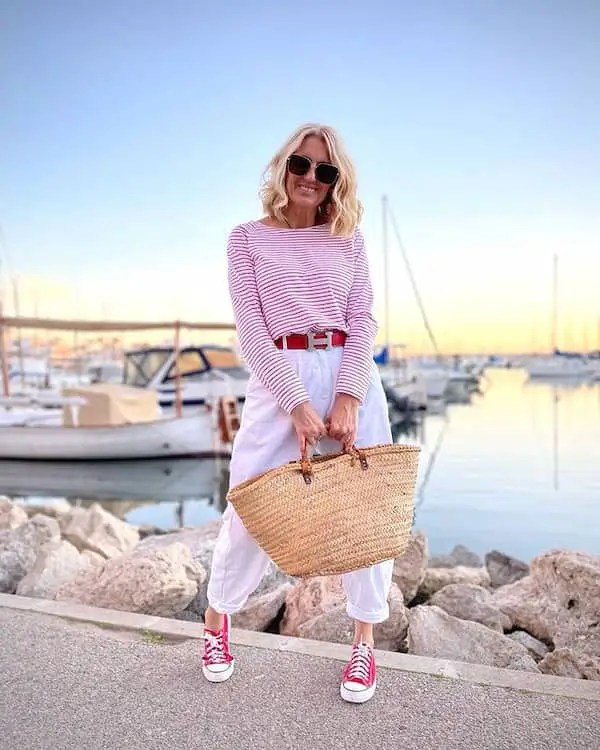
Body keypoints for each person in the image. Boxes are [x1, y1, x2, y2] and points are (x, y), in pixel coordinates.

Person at [202, 123, 393, 704]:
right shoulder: (245, 240)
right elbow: (252, 330)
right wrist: (296, 403)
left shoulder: (350, 239)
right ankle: (217, 626)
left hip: (349, 374)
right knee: (249, 504)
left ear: (338, 182)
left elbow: (362, 320)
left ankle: (363, 645)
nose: (311, 178)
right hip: (277, 373)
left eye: (325, 171)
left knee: (367, 509)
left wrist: (348, 397)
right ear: (283, 168)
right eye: (301, 166)